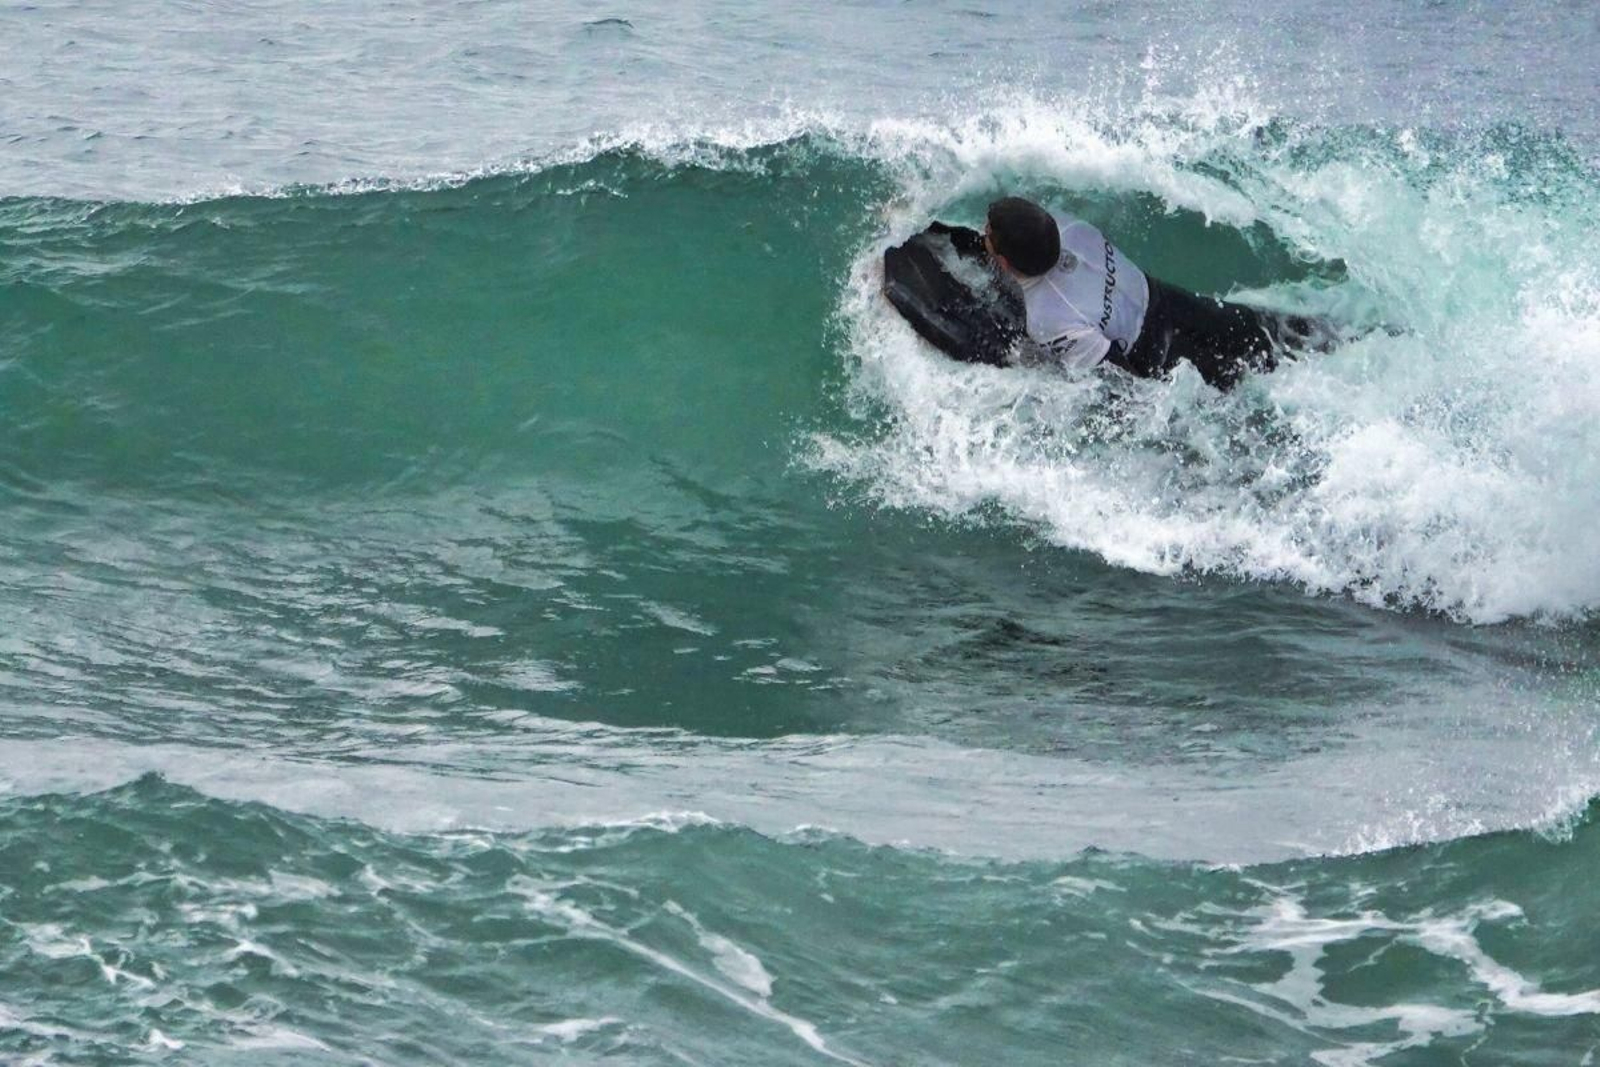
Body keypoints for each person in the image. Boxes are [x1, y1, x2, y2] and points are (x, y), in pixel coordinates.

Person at [981, 196, 1323, 389]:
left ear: (1005, 263)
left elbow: (1116, 379)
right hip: (1167, 300)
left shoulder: (1046, 317)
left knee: (1235, 384)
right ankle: (1340, 341)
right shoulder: (1069, 226)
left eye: (987, 233)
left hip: (1151, 350)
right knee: (1267, 332)